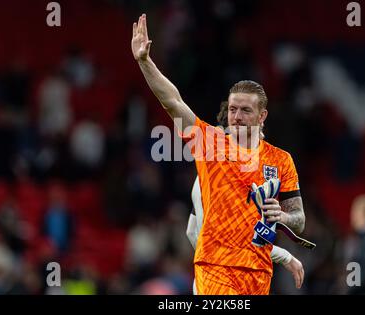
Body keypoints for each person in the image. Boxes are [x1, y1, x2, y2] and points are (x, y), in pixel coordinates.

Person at [131, 14, 306, 294]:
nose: (236, 117)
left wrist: (283, 218)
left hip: (259, 272)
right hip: (216, 269)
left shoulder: (281, 160)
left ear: (262, 116)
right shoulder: (210, 144)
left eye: (245, 110)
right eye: (233, 109)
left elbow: (299, 217)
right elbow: (173, 102)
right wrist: (145, 62)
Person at [186, 103, 304, 293]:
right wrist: (284, 256)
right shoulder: (231, 182)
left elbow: (191, 232)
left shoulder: (203, 178)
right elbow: (241, 243)